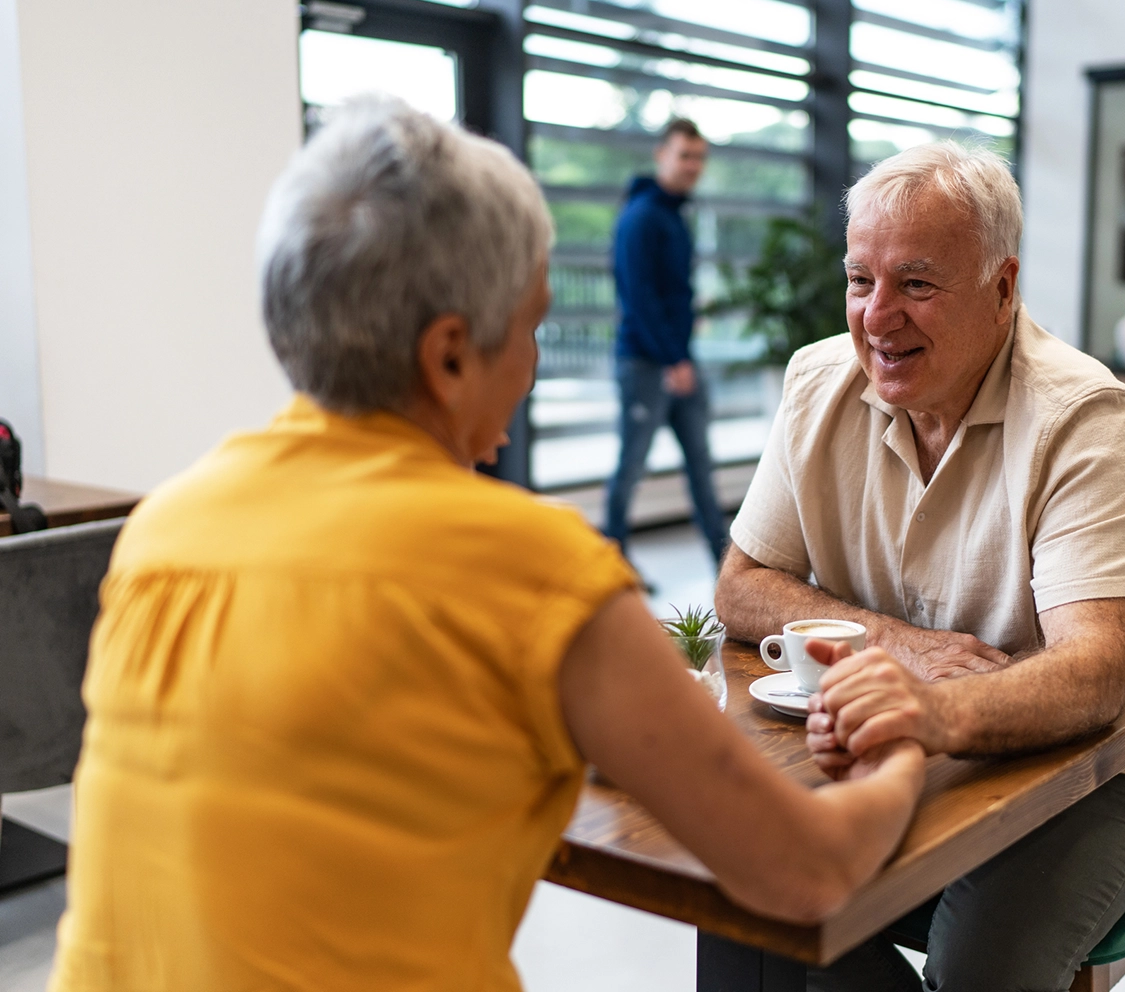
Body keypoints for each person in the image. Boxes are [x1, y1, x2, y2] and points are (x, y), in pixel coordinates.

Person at [48, 98, 926, 992]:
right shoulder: (530, 571)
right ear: (449, 357)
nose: (534, 366)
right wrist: (899, 752)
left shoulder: (163, 528)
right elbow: (806, 872)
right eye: (533, 326)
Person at [715, 141, 1125, 992]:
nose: (877, 317)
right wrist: (902, 648)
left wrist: (932, 711)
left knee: (981, 965)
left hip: (1106, 764)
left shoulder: (1081, 413)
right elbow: (742, 585)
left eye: (916, 284)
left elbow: (1095, 672)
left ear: (1003, 287)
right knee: (744, 894)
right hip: (912, 745)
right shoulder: (816, 382)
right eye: (860, 280)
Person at [604, 118, 727, 566]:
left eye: (699, 158)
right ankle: (610, 565)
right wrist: (674, 359)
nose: (693, 165)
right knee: (632, 466)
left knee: (701, 465)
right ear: (661, 155)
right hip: (646, 363)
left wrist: (681, 357)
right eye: (684, 155)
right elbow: (638, 298)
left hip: (679, 361)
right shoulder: (641, 217)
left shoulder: (674, 214)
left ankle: (726, 564)